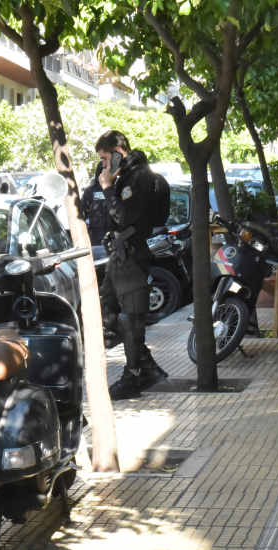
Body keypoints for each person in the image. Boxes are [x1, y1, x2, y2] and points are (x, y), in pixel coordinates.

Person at [96, 130, 168, 400]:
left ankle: (134, 375)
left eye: (105, 159)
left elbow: (124, 217)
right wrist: (107, 180)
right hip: (118, 255)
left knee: (131, 317)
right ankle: (147, 366)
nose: (103, 165)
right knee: (107, 313)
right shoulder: (123, 175)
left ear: (117, 151)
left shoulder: (139, 177)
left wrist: (107, 187)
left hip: (131, 254)